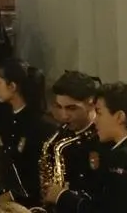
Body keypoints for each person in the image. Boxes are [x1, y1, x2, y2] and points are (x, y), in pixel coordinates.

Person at [50, 82, 127, 213]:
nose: (95, 120)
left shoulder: (124, 157)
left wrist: (62, 196)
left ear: (120, 117)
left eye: (99, 113)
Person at [0, 58, 57, 207]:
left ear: (12, 86)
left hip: (28, 203)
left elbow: (36, 174)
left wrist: (11, 195)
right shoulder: (1, 113)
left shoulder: (40, 125)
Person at [41, 71, 103, 209]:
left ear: (91, 103)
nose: (64, 116)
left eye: (71, 108)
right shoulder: (59, 136)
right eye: (59, 107)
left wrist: (65, 196)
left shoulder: (104, 137)